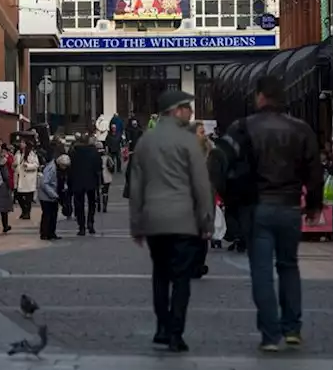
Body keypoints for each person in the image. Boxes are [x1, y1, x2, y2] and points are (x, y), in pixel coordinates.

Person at [218, 76, 321, 352]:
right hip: (289, 206)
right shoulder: (301, 129)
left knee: (261, 271)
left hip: (257, 206)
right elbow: (314, 171)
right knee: (289, 265)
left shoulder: (243, 127)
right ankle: (292, 329)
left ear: (261, 96)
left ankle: (270, 333)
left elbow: (221, 161)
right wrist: (313, 204)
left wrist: (231, 201)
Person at [128, 90, 214, 353]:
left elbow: (136, 185)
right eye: (187, 107)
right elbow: (201, 184)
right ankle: (176, 333)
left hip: (154, 219)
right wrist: (206, 220)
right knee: (181, 279)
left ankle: (161, 328)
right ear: (176, 110)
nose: (190, 112)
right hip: (183, 221)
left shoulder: (145, 141)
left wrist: (136, 222)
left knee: (160, 275)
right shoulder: (188, 142)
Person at [191, 121, 215, 278]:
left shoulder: (210, 151)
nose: (204, 135)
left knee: (202, 234)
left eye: (203, 132)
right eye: (200, 132)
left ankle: (199, 264)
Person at [68, 133, 103, 235]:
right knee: (92, 203)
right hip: (91, 181)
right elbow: (98, 167)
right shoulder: (94, 151)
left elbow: (70, 168)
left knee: (79, 205)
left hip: (77, 181)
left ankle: (81, 226)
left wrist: (70, 182)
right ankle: (90, 222)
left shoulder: (73, 152)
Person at [37, 153, 67, 240]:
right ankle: (45, 233)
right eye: (63, 166)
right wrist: (53, 194)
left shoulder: (56, 168)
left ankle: (51, 233)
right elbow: (45, 183)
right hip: (46, 196)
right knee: (47, 215)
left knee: (53, 214)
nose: (64, 168)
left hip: (52, 195)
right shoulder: (51, 168)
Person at [14, 138, 40, 220]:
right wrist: (14, 165)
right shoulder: (18, 153)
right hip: (19, 177)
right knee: (18, 196)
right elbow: (15, 163)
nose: (21, 144)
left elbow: (36, 165)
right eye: (21, 142)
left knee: (28, 197)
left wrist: (28, 166)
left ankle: (27, 213)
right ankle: (24, 211)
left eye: (22, 142)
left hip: (28, 178)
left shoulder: (32, 154)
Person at [101, 134, 117, 213]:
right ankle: (104, 205)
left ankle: (98, 203)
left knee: (99, 190)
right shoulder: (108, 157)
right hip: (107, 176)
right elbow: (112, 166)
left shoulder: (96, 156)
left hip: (98, 176)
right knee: (105, 192)